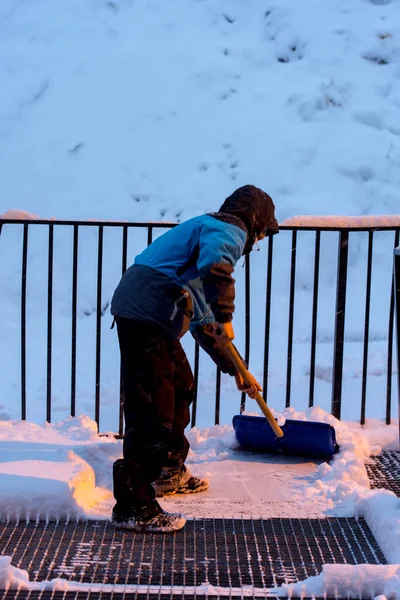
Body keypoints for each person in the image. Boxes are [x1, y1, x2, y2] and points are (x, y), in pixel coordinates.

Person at [110, 185, 279, 532]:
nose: (256, 242)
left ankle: (168, 469)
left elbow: (205, 324)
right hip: (147, 311)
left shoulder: (203, 240)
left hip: (147, 310)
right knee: (154, 406)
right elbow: (218, 269)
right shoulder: (227, 228)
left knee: (180, 385)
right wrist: (227, 313)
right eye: (260, 235)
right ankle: (134, 504)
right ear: (256, 223)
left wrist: (236, 370)